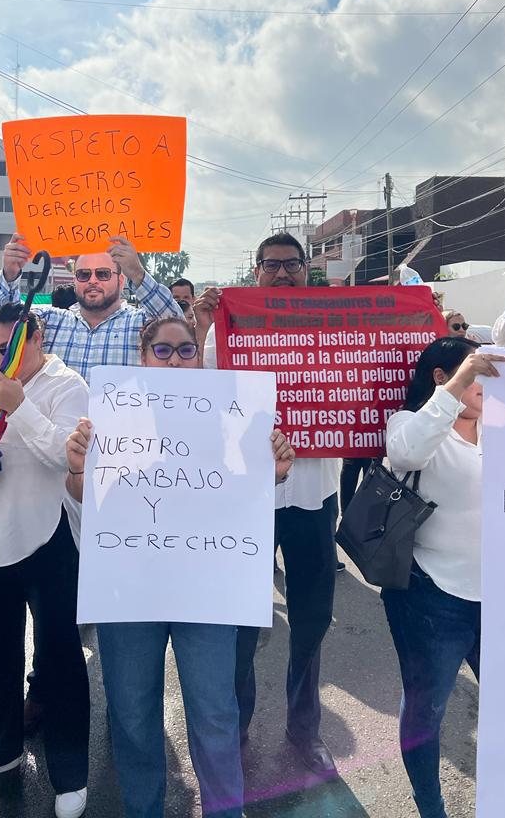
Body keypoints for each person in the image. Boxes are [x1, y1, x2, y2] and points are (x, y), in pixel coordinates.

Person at [64, 316, 295, 818]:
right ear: (144, 356)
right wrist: (78, 468)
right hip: (129, 591)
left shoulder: (234, 416)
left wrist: (272, 474)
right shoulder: (113, 413)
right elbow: (87, 496)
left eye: (185, 350)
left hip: (206, 591)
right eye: (163, 351)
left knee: (215, 714)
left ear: (200, 355)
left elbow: (245, 499)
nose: (174, 360)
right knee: (131, 715)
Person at [196, 233, 340, 778]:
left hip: (312, 496)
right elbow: (205, 403)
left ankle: (305, 729)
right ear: (254, 272)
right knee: (242, 618)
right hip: (247, 496)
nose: (282, 275)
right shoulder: (227, 333)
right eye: (271, 266)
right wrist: (207, 328)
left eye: (292, 265)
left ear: (308, 272)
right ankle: (236, 723)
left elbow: (372, 379)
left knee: (310, 617)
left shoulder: (338, 328)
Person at [0, 303, 90, 818]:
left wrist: (21, 405)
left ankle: (71, 772)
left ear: (35, 339)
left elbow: (65, 457)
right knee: (0, 650)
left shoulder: (67, 385)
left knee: (60, 656)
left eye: (8, 347)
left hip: (48, 535)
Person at [382, 337, 505, 818]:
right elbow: (407, 455)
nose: (485, 386)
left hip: (502, 595)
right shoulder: (410, 423)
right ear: (442, 377)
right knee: (426, 708)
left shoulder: (503, 427)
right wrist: (461, 380)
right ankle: (430, 805)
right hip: (432, 595)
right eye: (478, 374)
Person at [0, 233, 183, 380]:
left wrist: (139, 275)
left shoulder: (141, 323)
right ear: (75, 280)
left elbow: (178, 328)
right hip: (53, 433)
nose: (93, 281)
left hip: (120, 433)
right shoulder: (50, 320)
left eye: (103, 274)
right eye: (84, 274)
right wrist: (10, 273)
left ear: (122, 281)